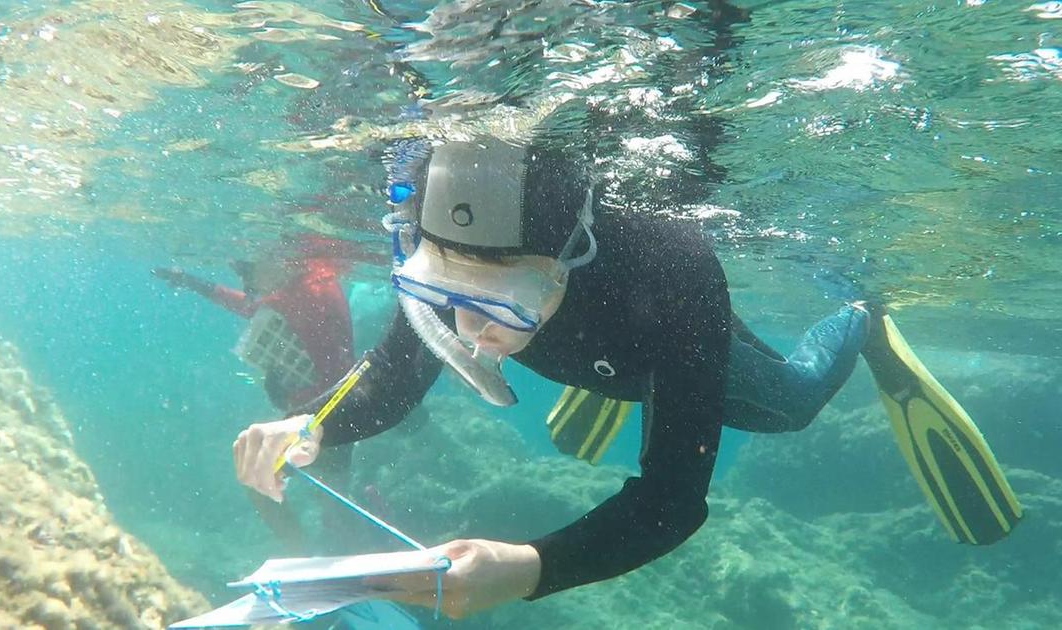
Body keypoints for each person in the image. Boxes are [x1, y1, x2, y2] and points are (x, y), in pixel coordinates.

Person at [231, 126, 1020, 617]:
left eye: (500, 300)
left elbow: (674, 499)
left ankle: (859, 319)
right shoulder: (442, 258)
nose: (467, 332)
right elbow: (397, 376)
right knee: (527, 342)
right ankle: (607, 380)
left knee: (789, 406)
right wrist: (313, 425)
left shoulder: (670, 267)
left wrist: (533, 568)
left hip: (655, 343)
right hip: (599, 353)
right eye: (444, 293)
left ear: (566, 262)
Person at [155, 235, 360, 554]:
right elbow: (251, 304)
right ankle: (330, 555)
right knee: (329, 500)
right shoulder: (308, 286)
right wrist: (192, 282)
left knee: (262, 480)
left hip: (321, 416)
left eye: (247, 270)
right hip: (330, 413)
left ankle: (304, 556)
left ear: (276, 260)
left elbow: (330, 367)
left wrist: (288, 392)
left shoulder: (306, 293)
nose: (244, 277)